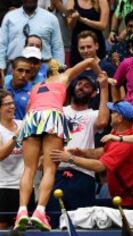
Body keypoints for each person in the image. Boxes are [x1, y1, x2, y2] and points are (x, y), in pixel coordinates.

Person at [14, 57, 103, 231]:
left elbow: (27, 112)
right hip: (52, 116)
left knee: (29, 169)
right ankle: (40, 211)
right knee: (49, 169)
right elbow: (90, 60)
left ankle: (22, 211)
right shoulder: (64, 76)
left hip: (32, 118)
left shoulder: (34, 88)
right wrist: (100, 75)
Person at [51, 100, 133, 210]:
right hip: (123, 195)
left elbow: (100, 166)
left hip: (132, 200)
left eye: (113, 112)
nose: (110, 115)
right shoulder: (121, 132)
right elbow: (105, 151)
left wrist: (69, 158)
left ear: (120, 118)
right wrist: (84, 153)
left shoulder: (124, 144)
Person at [46, 73, 109, 228]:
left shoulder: (93, 114)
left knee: (82, 225)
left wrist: (105, 88)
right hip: (57, 173)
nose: (81, 87)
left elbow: (102, 122)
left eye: (87, 85)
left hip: (83, 175)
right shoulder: (60, 110)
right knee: (53, 223)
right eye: (79, 83)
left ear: (94, 93)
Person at [0, 90, 34, 230]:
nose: (12, 107)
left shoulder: (23, 124)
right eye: (7, 104)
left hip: (26, 186)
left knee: (26, 229)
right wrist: (16, 136)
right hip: (3, 186)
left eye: (12, 103)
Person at [0, 0, 64, 71]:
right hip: (14, 69)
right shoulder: (9, 17)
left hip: (43, 69)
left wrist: (59, 70)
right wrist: (1, 69)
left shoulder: (51, 19)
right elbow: (2, 46)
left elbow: (57, 47)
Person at [66, 0, 109, 66]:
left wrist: (83, 20)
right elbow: (70, 26)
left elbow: (103, 25)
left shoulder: (101, 1)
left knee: (100, 70)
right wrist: (74, 18)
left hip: (96, 44)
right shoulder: (71, 1)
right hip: (79, 44)